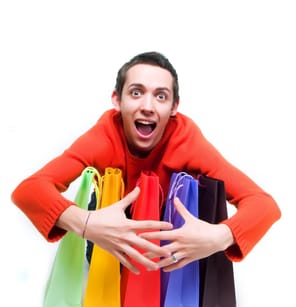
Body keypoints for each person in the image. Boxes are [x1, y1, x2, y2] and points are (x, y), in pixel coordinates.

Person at [11, 51, 281, 275]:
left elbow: (263, 204)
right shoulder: (103, 136)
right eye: (136, 92)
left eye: (161, 96)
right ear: (117, 100)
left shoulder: (187, 139)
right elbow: (29, 190)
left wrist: (218, 237)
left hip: (168, 246)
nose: (148, 106)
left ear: (174, 107)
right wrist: (85, 223)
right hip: (108, 239)